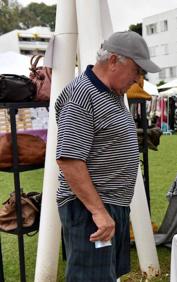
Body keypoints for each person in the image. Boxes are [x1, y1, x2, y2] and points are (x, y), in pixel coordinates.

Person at [55, 31, 160, 281]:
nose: (138, 79)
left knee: (107, 276)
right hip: (91, 209)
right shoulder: (81, 94)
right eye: (136, 71)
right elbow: (69, 159)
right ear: (113, 60)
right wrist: (99, 212)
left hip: (110, 205)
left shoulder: (111, 93)